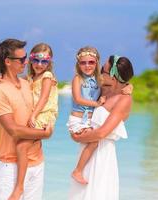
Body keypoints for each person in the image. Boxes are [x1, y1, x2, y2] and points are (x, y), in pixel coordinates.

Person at [0, 38, 53, 200]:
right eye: (23, 59)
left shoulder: (26, 83)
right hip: (10, 167)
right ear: (8, 62)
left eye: (27, 58)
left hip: (37, 163)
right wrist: (44, 134)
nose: (26, 62)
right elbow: (14, 130)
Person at [68, 55, 134, 200]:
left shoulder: (124, 99)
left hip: (102, 154)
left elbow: (103, 132)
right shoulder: (105, 90)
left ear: (114, 76)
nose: (100, 71)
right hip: (87, 150)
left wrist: (77, 137)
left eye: (103, 69)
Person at [9, 43, 58, 200]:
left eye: (44, 61)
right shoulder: (30, 78)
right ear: (30, 60)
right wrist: (0, 78)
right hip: (36, 114)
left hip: (43, 115)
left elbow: (43, 98)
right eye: (36, 60)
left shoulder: (47, 77)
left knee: (21, 146)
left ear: (49, 62)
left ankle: (19, 187)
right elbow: (14, 82)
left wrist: (33, 115)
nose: (39, 64)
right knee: (24, 144)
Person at [66, 46, 106, 185]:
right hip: (78, 120)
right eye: (83, 63)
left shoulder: (99, 80)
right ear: (78, 64)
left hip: (91, 120)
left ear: (97, 63)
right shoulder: (78, 79)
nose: (87, 66)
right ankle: (77, 170)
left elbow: (114, 87)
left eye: (91, 62)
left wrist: (127, 87)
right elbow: (78, 99)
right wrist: (97, 104)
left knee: (96, 144)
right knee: (94, 141)